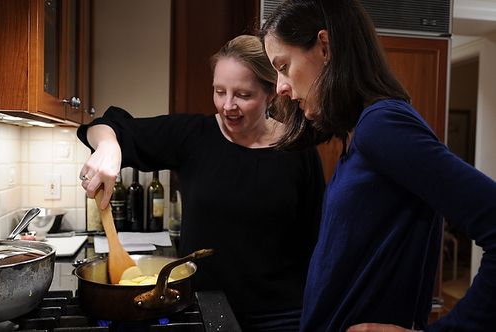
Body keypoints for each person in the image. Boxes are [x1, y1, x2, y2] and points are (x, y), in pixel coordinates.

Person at [259, 0, 496, 331]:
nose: (281, 88)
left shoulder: (380, 125)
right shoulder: (359, 132)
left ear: (325, 48)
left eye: (283, 67)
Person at [77, 35, 325, 331]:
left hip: (281, 316)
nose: (227, 105)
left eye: (243, 95)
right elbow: (107, 127)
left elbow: (316, 239)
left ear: (271, 93)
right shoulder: (193, 136)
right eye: (219, 91)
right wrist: (108, 147)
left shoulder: (298, 149)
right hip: (201, 308)